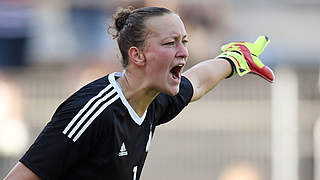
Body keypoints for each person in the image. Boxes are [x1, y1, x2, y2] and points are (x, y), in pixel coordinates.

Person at [4, 6, 274, 180]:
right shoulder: (94, 111)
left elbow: (199, 81)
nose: (184, 51)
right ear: (137, 55)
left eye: (185, 41)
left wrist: (234, 59)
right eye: (170, 43)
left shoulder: (154, 99)